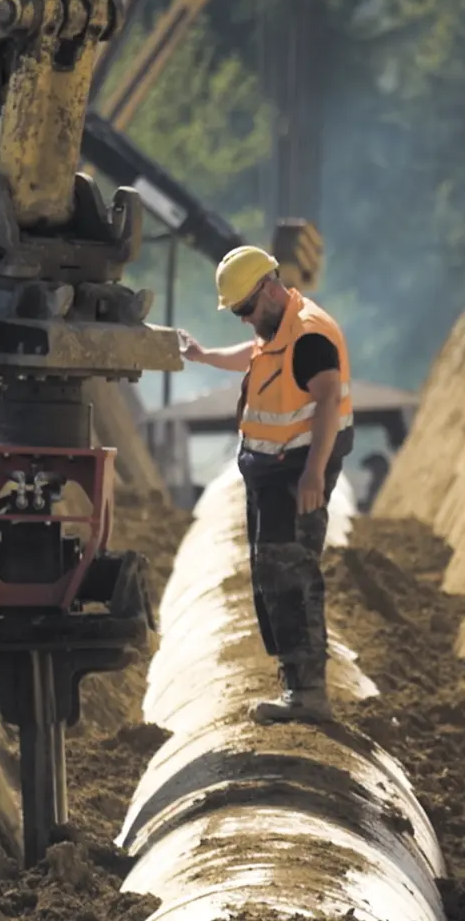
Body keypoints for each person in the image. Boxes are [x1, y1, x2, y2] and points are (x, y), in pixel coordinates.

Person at [178, 246, 354, 724]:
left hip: (296, 474)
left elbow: (327, 403)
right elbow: (255, 356)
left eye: (245, 309)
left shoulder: (310, 334)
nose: (242, 319)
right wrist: (204, 356)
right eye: (237, 312)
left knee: (292, 576)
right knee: (270, 576)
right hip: (272, 473)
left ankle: (309, 692)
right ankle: (296, 683)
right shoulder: (277, 327)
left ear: (270, 289)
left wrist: (314, 474)